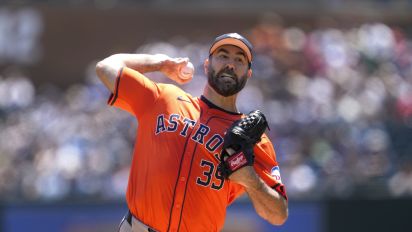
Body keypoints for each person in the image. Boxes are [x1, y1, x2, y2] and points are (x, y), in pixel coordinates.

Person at [95, 33, 288, 232]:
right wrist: (160, 63)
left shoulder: (253, 139)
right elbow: (105, 67)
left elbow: (278, 215)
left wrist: (250, 180)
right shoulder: (163, 99)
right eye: (223, 56)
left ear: (248, 74)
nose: (230, 64)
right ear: (206, 65)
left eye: (239, 60)